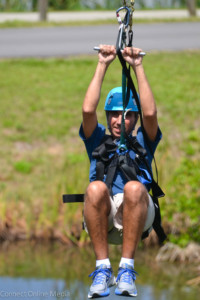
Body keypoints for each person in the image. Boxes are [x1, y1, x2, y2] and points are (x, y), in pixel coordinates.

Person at [79, 45, 162, 298]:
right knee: (95, 187)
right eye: (114, 114)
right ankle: (103, 270)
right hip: (102, 218)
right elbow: (87, 111)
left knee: (134, 187)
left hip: (136, 214)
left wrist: (137, 65)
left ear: (134, 119)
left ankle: (127, 270)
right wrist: (102, 64)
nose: (118, 120)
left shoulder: (144, 141)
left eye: (126, 115)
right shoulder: (97, 141)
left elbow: (150, 112)